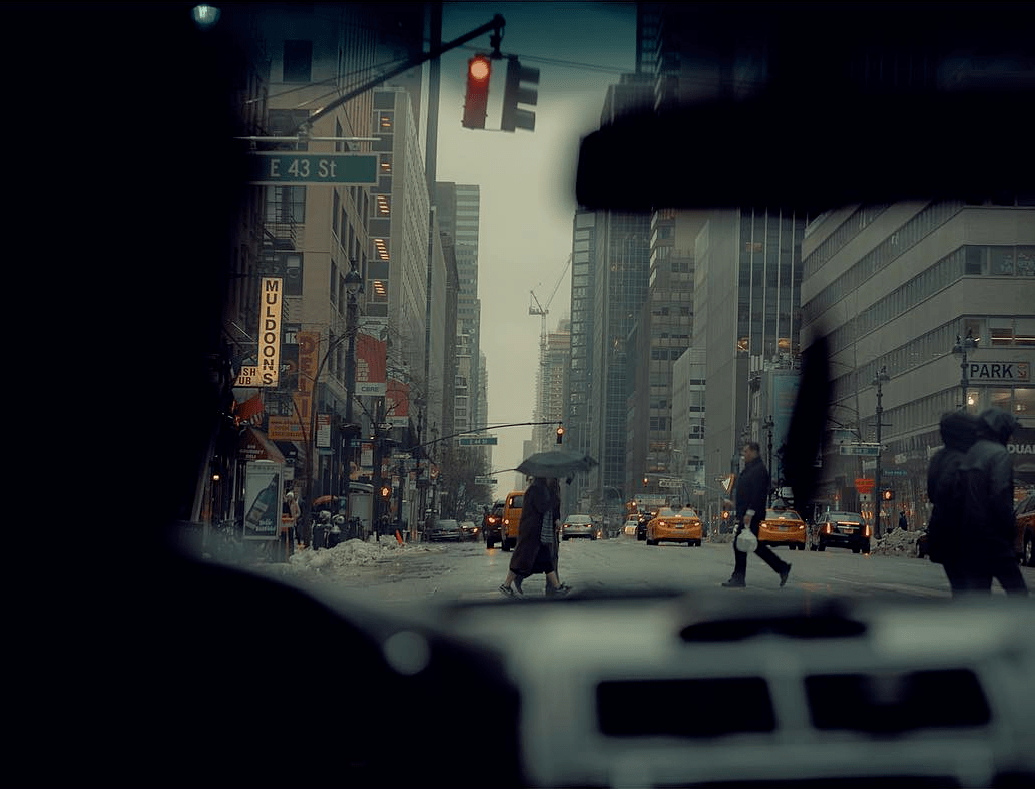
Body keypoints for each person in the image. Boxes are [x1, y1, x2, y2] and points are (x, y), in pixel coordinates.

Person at [958, 407, 1028, 596]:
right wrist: (1008, 528)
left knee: (979, 591)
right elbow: (1000, 494)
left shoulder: (971, 452)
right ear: (1001, 430)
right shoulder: (998, 454)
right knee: (1017, 590)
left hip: (970, 532)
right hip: (993, 533)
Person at [722, 442, 792, 588]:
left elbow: (758, 495)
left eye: (746, 451)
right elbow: (746, 493)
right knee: (754, 546)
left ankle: (739, 577)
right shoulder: (750, 469)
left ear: (754, 452)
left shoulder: (759, 470)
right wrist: (734, 504)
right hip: (747, 513)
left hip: (752, 515)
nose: (744, 454)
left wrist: (749, 512)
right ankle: (782, 567)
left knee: (740, 544)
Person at [926, 411, 979, 594]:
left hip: (943, 528)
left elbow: (932, 494)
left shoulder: (938, 458)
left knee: (959, 585)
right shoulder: (962, 460)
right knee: (972, 588)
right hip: (964, 532)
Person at [499, 477, 569, 597]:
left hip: (538, 532)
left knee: (546, 561)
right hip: (531, 531)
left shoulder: (542, 489)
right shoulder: (536, 490)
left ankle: (557, 587)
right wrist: (553, 496)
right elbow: (542, 507)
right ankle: (506, 585)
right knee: (521, 559)